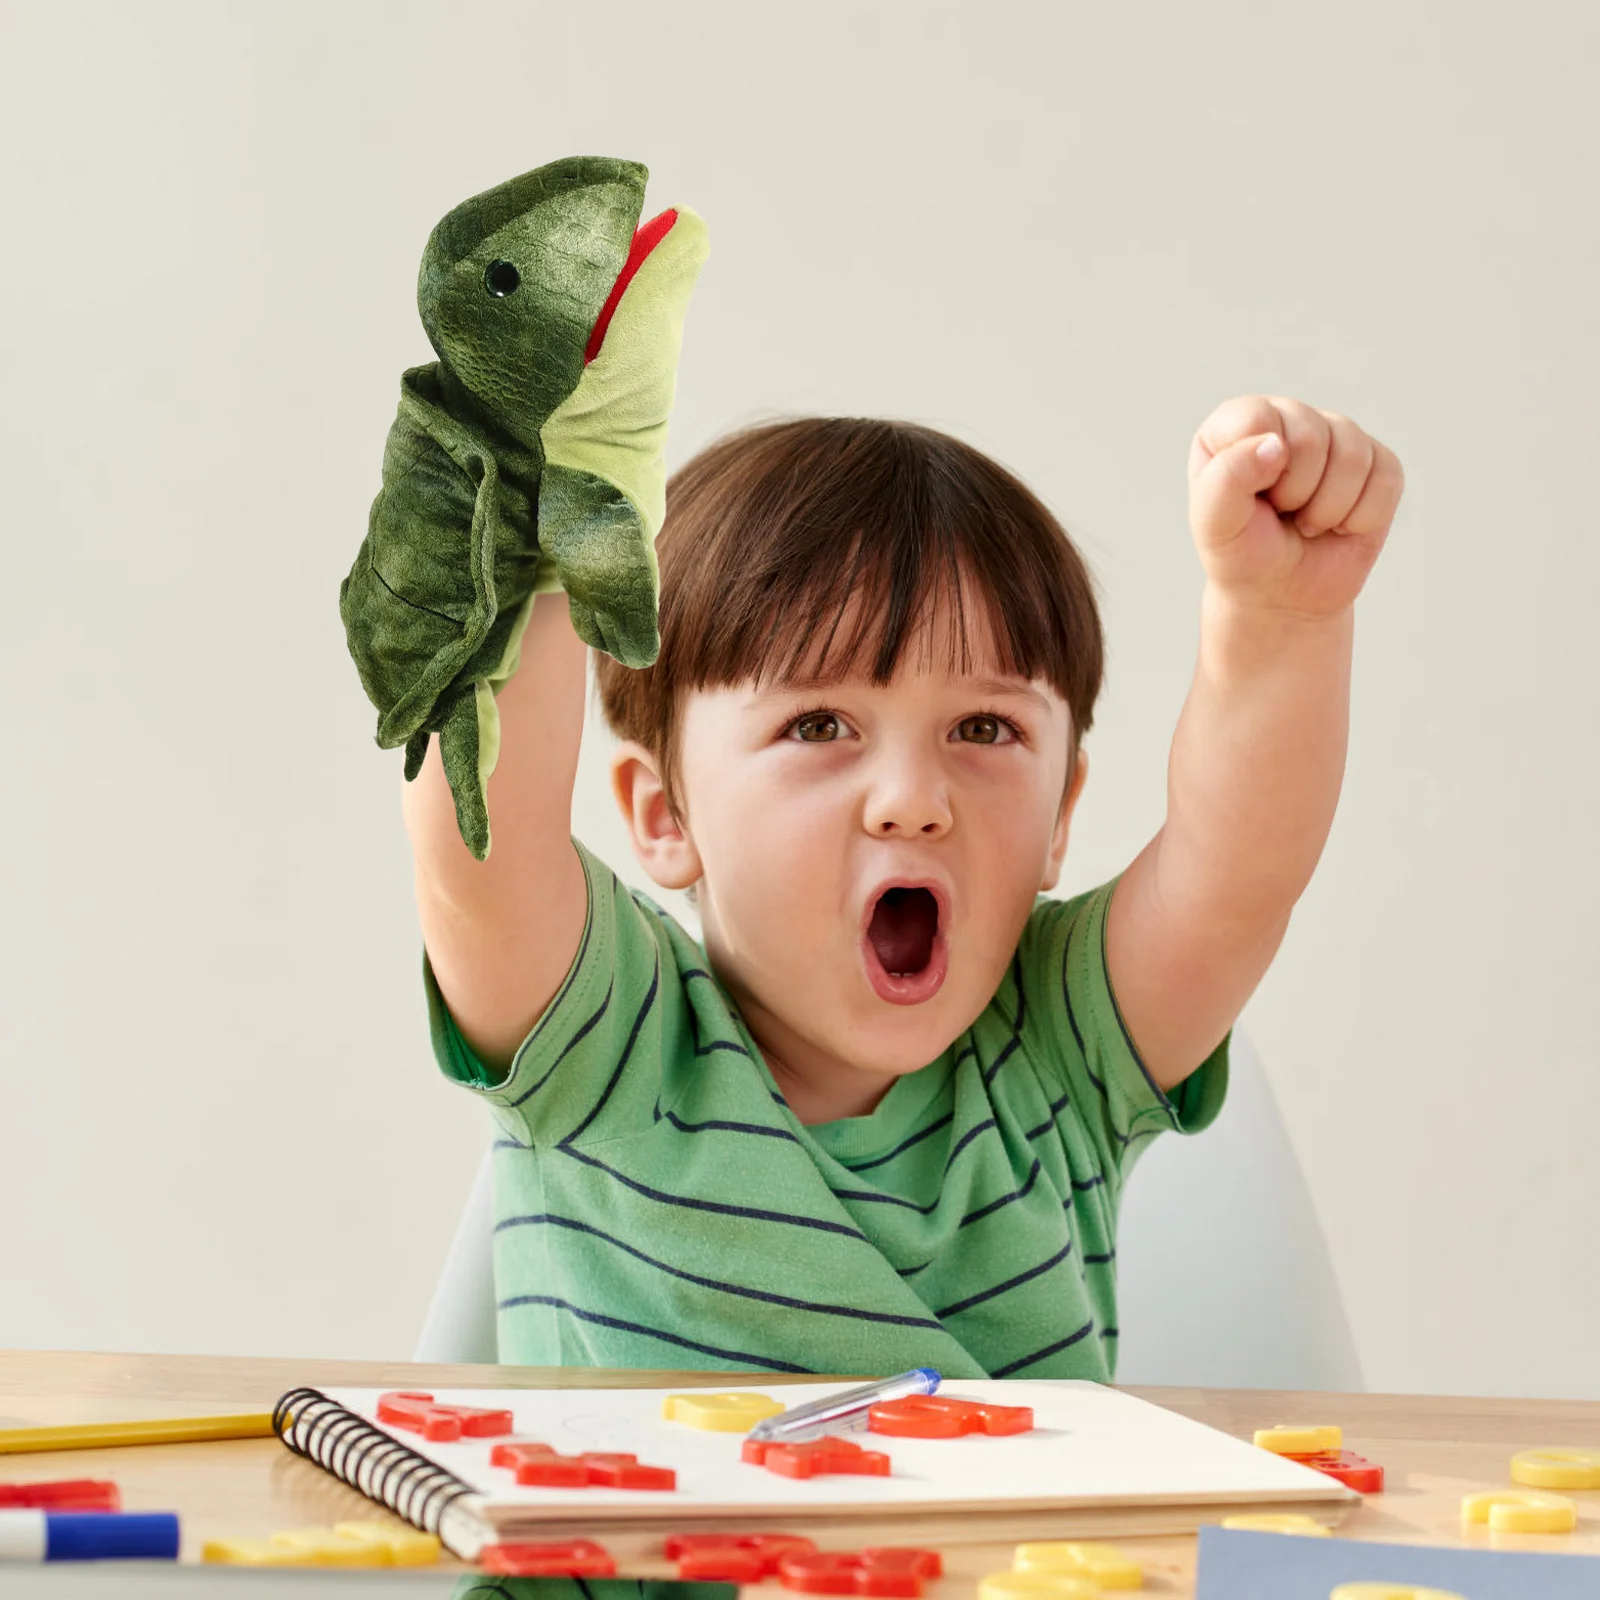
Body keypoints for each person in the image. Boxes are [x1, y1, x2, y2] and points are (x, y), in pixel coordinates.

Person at [402, 398, 1403, 1376]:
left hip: (997, 1553)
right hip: (629, 1553)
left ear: (1058, 818)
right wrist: (523, 529)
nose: (913, 801)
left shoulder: (1061, 1043)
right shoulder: (610, 1043)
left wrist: (1280, 621)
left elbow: (1237, 873)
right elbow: (482, 854)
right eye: (818, 726)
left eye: (982, 730)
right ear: (666, 816)